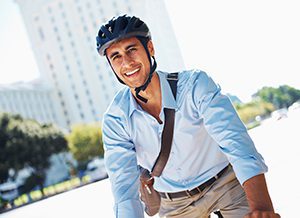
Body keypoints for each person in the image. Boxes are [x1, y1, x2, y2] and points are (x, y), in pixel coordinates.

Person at [96, 14, 280, 218]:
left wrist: (262, 208)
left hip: (226, 184)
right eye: (116, 57)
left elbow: (237, 145)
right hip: (175, 203)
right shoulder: (116, 120)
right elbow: (124, 191)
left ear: (150, 49)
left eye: (132, 50)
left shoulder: (195, 85)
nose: (127, 62)